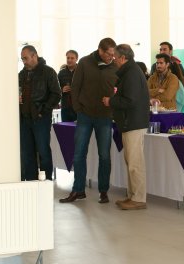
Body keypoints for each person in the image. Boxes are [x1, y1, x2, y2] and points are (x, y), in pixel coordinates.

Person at [59, 37, 118, 204]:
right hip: (84, 115)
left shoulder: (115, 66)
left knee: (104, 155)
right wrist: (78, 109)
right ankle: (78, 190)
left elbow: (118, 89)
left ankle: (103, 191)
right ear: (100, 50)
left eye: (113, 54)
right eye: (108, 54)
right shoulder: (85, 62)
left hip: (105, 116)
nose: (111, 57)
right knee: (78, 154)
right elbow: (75, 86)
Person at [102, 44, 150, 210]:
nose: (113, 59)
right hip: (130, 122)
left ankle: (138, 198)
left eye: (115, 56)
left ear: (123, 58)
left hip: (133, 122)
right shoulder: (130, 72)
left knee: (135, 162)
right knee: (131, 161)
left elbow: (130, 100)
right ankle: (132, 195)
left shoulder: (132, 73)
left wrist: (111, 101)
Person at [19, 45, 61, 181]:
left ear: (34, 56)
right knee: (27, 153)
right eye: (22, 59)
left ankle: (46, 182)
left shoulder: (48, 72)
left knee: (43, 151)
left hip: (41, 118)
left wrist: (43, 110)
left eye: (26, 58)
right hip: (25, 119)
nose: (24, 61)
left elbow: (56, 94)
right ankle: (30, 183)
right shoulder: (22, 74)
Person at [58, 50, 78, 122]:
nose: (69, 60)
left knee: (78, 131)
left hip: (78, 107)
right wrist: (62, 90)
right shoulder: (61, 73)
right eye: (68, 58)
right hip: (65, 107)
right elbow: (55, 89)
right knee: (66, 130)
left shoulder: (81, 72)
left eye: (72, 58)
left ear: (76, 59)